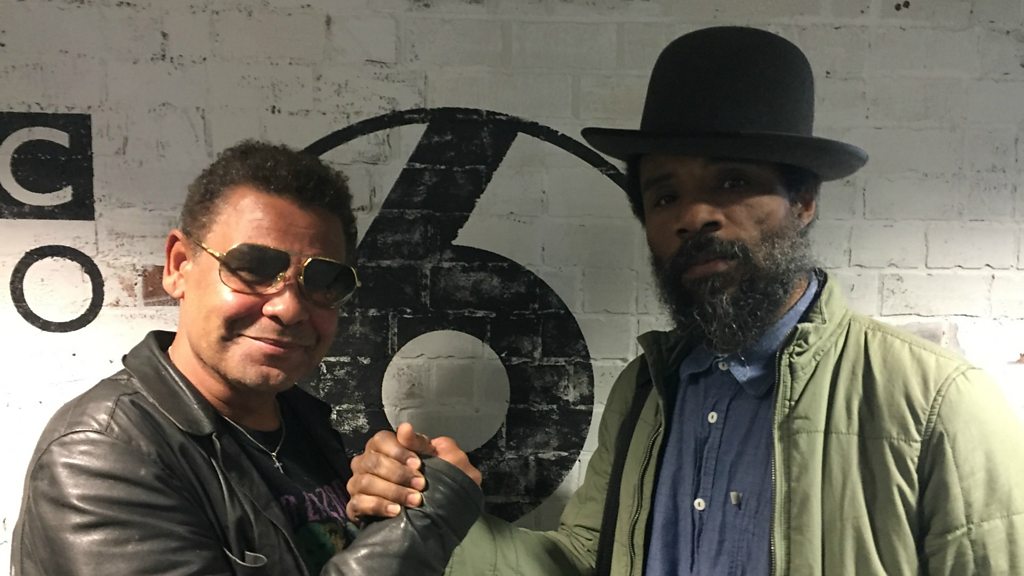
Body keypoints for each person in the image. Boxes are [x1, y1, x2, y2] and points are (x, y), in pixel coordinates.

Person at [344, 27, 1024, 575]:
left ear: (804, 201)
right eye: (664, 194)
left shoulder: (935, 401)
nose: (693, 215)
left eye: (732, 181)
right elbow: (582, 561)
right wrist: (446, 521)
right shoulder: (648, 390)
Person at [12, 140, 484, 576]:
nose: (289, 308)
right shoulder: (100, 453)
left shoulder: (300, 425)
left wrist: (380, 503)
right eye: (254, 268)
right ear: (179, 266)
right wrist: (427, 520)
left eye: (323, 281)